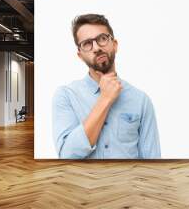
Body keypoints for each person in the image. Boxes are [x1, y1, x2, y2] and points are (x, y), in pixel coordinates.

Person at [52, 14, 161, 159]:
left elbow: (152, 163)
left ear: (114, 45)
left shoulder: (141, 100)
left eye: (102, 39)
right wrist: (105, 99)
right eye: (87, 43)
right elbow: (67, 155)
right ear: (80, 55)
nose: (96, 48)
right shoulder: (66, 96)